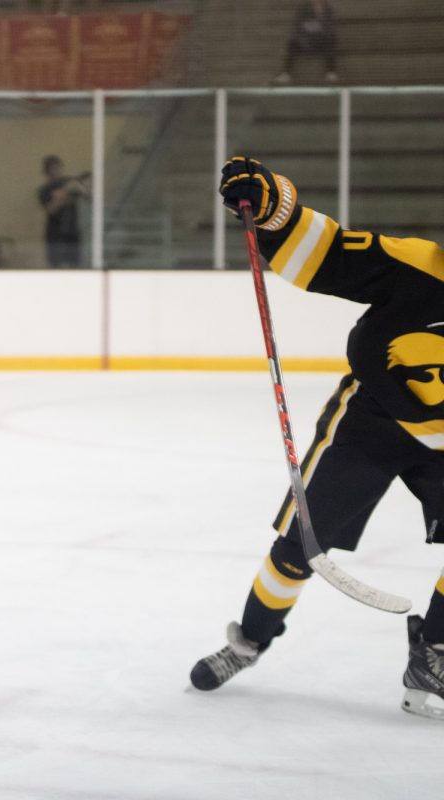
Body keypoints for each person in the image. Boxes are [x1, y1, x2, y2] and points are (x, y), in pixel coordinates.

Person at [190, 156, 444, 720]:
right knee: (300, 545)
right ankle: (248, 642)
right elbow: (326, 252)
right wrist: (273, 207)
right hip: (371, 425)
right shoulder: (420, 268)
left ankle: (435, 654)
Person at [37, 155, 87, 269]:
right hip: (55, 235)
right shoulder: (44, 190)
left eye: (57, 167)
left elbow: (85, 193)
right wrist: (62, 196)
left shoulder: (68, 183)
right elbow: (50, 209)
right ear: (47, 171)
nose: (56, 171)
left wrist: (72, 187)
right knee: (56, 267)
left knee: (75, 266)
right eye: (52, 168)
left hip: (72, 233)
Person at [272, 0, 338, 86]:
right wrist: (309, 33)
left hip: (321, 42)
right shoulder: (302, 9)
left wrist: (315, 29)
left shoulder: (328, 10)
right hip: (305, 41)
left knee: (331, 40)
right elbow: (298, 26)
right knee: (292, 42)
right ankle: (286, 73)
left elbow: (329, 28)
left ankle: (330, 72)